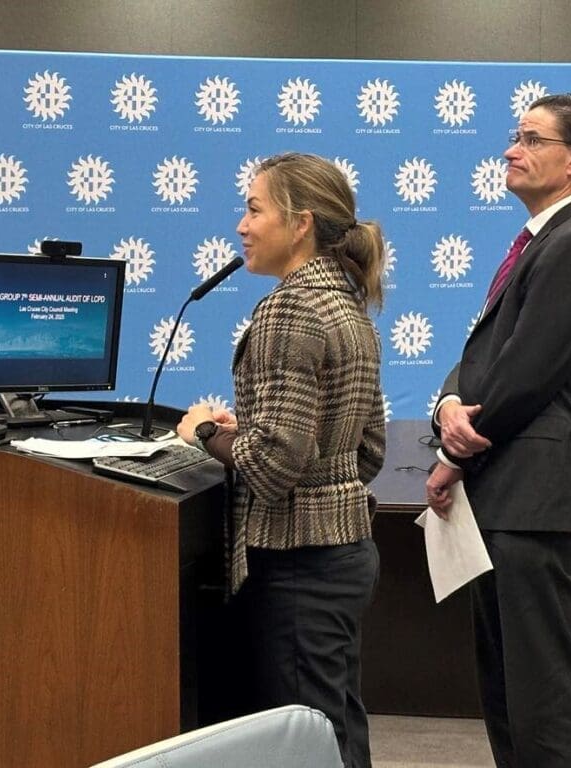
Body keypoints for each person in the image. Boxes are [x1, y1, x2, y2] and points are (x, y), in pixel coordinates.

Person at [426, 94, 571, 768]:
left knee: (542, 692)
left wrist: (454, 447)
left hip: (530, 498)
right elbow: (483, 359)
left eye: (532, 139)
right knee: (506, 684)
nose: (511, 150)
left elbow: (524, 378)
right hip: (504, 493)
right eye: (514, 136)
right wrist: (448, 403)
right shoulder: (541, 243)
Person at [177, 152, 386, 768]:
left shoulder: (290, 308)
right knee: (335, 724)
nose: (241, 225)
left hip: (298, 564)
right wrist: (263, 432)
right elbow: (364, 448)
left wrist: (206, 431)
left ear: (300, 224)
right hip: (344, 555)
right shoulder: (346, 303)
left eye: (253, 208)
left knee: (304, 744)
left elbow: (272, 466)